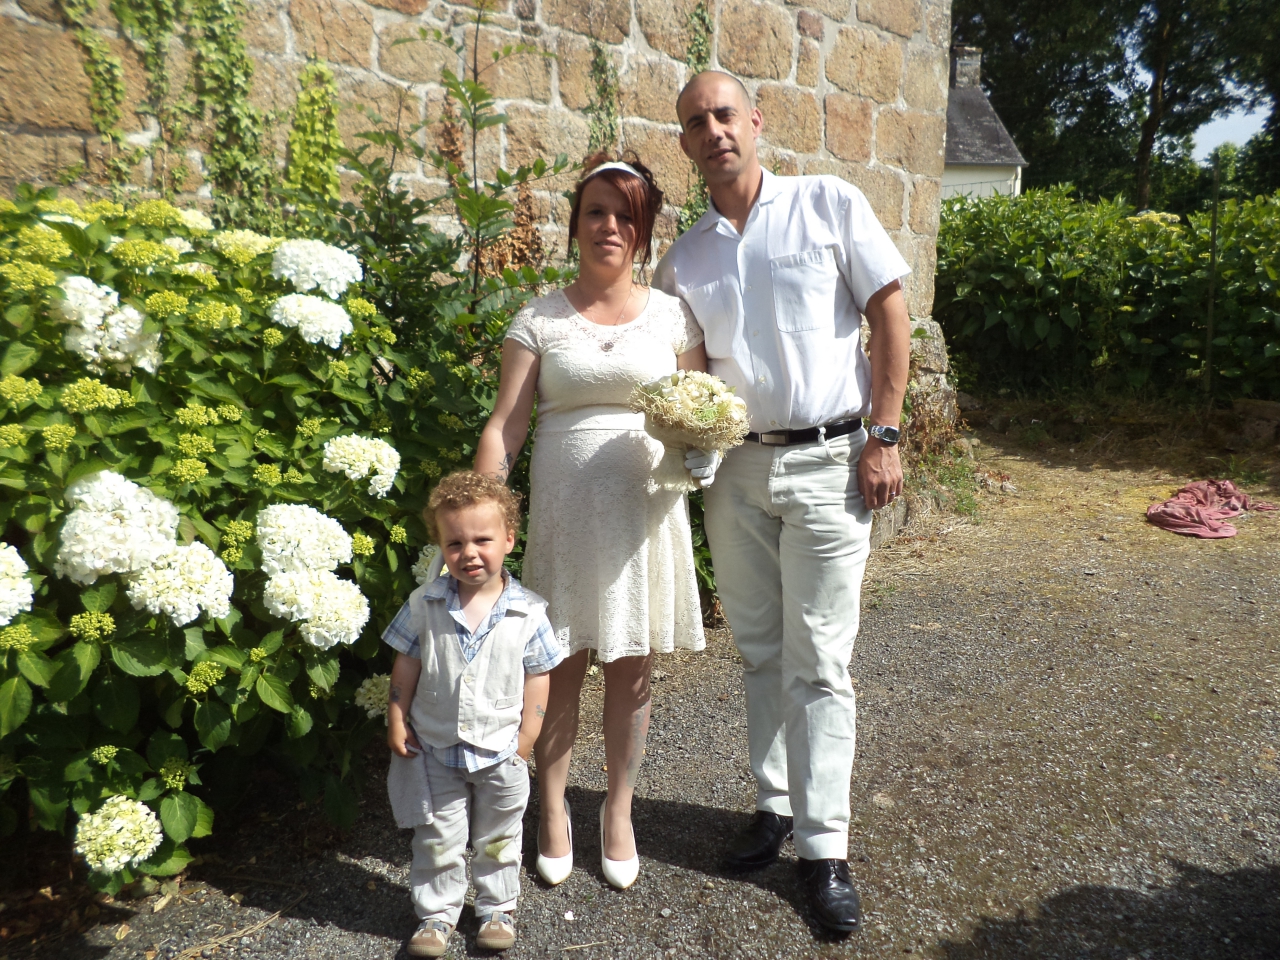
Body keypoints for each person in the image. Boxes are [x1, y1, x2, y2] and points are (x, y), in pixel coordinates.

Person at [654, 71, 913, 935]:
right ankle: (775, 805)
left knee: (820, 661)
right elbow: (686, 373)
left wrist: (884, 434)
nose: (714, 130)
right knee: (761, 650)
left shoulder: (826, 203)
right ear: (686, 144)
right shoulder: (685, 259)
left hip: (833, 462)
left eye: (725, 114)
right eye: (697, 122)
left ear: (756, 121)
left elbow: (889, 313)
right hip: (736, 473)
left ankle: (825, 848)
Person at [474, 153, 708, 891]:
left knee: (632, 669)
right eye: (596, 211)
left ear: (643, 230)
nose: (609, 225)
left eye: (625, 214)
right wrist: (481, 510)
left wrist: (705, 450)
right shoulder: (538, 318)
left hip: (645, 514)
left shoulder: (672, 316)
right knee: (557, 665)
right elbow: (506, 426)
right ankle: (551, 810)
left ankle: (618, 810)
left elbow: (703, 406)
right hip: (566, 516)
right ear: (575, 224)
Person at [382, 471, 564, 957]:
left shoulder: (529, 612)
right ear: (441, 546)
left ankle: (496, 908)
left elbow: (539, 676)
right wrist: (396, 716)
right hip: (435, 749)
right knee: (437, 836)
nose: (469, 553)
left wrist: (528, 738)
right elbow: (407, 663)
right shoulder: (424, 604)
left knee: (499, 835)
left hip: (502, 752)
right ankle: (436, 915)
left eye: (482, 540)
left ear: (508, 539)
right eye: (454, 542)